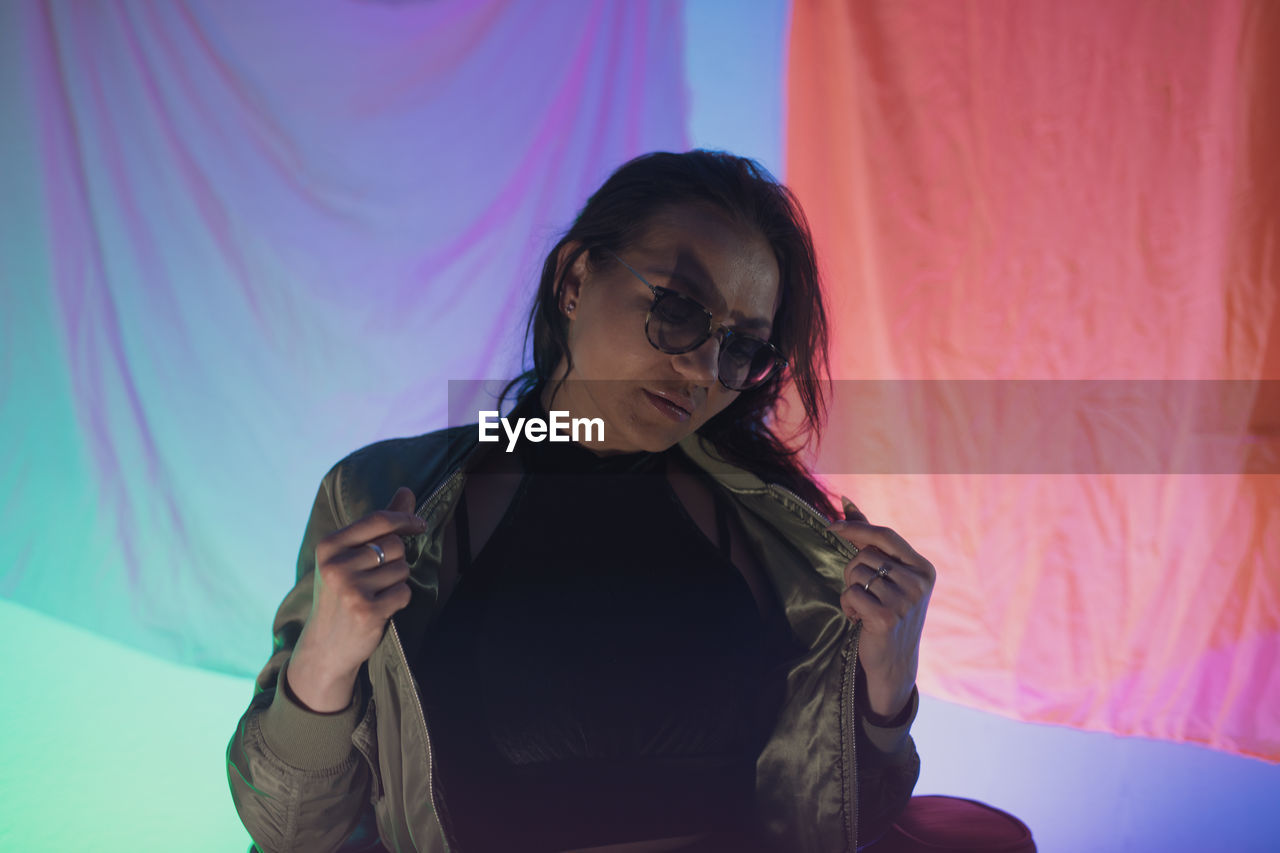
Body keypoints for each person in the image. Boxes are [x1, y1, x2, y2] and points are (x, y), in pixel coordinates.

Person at [227, 150, 934, 853]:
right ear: (573, 279)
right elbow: (290, 830)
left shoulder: (781, 534)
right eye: (679, 308)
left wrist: (887, 688)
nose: (702, 370)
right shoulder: (385, 497)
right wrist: (323, 658)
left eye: (742, 346)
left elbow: (844, 820)